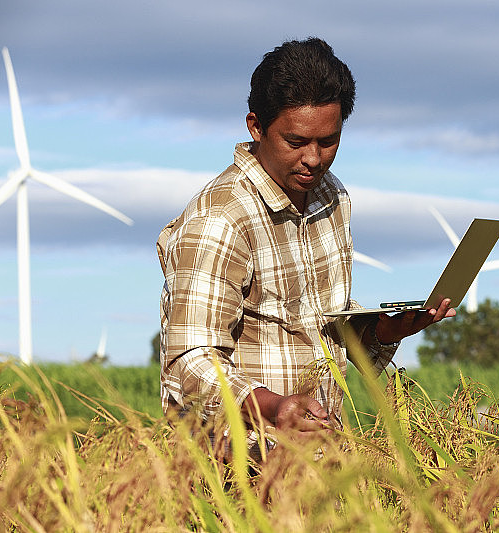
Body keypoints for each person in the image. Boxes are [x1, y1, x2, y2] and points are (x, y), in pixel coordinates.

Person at [157, 37, 454, 453]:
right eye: (296, 142)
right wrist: (274, 408)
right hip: (238, 465)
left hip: (322, 460)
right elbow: (190, 362)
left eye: (328, 141)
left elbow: (319, 323)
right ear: (256, 127)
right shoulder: (220, 220)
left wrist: (384, 331)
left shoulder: (330, 196)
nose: (314, 159)